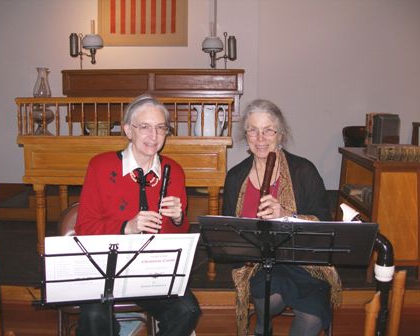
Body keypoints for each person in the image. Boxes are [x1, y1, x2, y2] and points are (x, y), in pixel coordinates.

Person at [74, 94, 201, 336]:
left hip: (151, 270)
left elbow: (179, 233)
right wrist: (126, 227)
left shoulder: (173, 170)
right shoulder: (100, 166)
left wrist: (177, 218)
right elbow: (84, 228)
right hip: (106, 268)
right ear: (127, 130)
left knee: (188, 310)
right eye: (144, 127)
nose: (153, 136)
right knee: (93, 315)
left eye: (160, 128)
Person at [222, 99, 341, 336]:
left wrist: (286, 215)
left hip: (305, 264)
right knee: (271, 297)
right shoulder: (236, 177)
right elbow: (227, 230)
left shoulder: (304, 171)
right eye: (253, 130)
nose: (260, 138)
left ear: (281, 134)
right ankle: (262, 327)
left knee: (311, 317)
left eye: (268, 130)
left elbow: (323, 222)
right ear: (245, 136)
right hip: (257, 265)